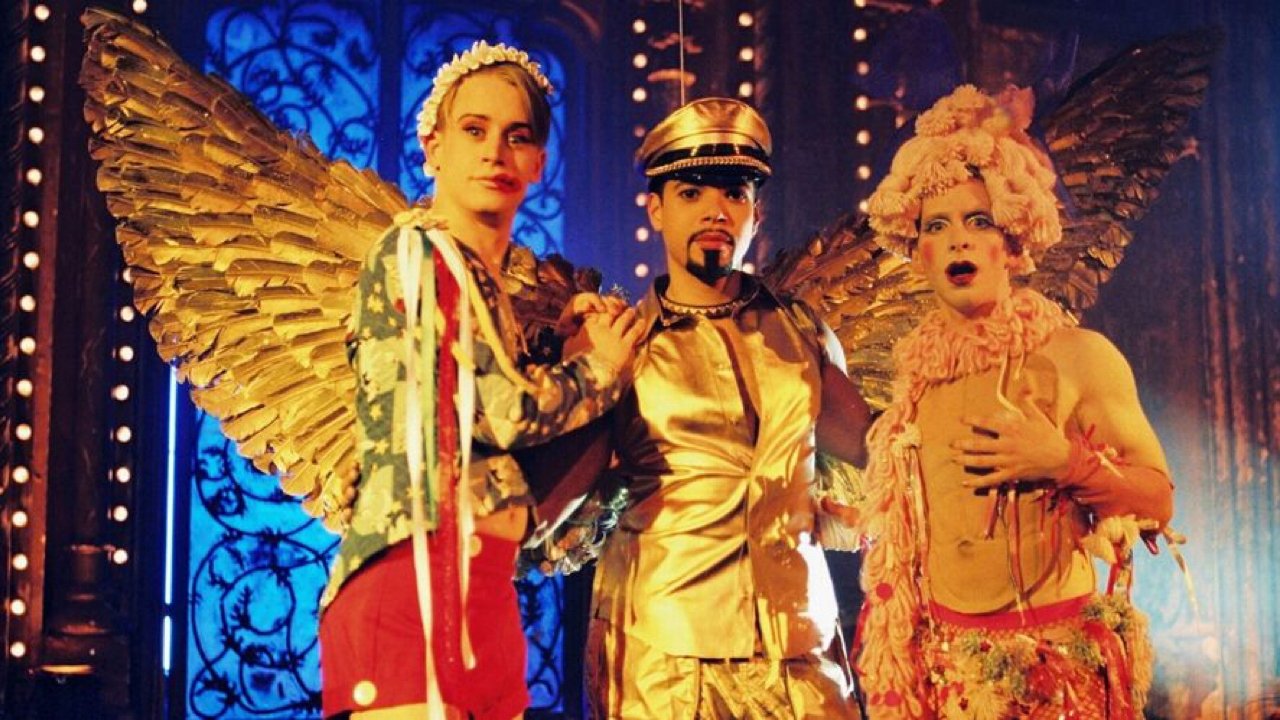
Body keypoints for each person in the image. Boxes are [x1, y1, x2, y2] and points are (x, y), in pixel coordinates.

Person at [317, 42, 644, 720]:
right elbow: (497, 410)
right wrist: (601, 367)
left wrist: (555, 343)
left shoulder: (478, 281)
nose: (495, 152)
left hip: (482, 590)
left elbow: (479, 408)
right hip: (413, 588)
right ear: (433, 147)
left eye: (516, 136)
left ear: (538, 163)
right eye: (474, 130)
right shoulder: (417, 252)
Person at [847, 84, 1176, 719]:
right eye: (938, 226)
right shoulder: (914, 385)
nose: (959, 241)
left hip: (1056, 672)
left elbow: (1158, 500)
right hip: (944, 672)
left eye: (979, 222)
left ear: (1014, 240)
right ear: (918, 253)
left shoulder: (1077, 355)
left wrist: (1066, 463)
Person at [554, 97, 873, 719]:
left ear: (757, 211)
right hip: (666, 659)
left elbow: (876, 446)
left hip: (798, 651)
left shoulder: (802, 333)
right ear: (656, 209)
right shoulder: (619, 341)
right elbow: (560, 496)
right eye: (691, 193)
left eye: (734, 193)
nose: (715, 211)